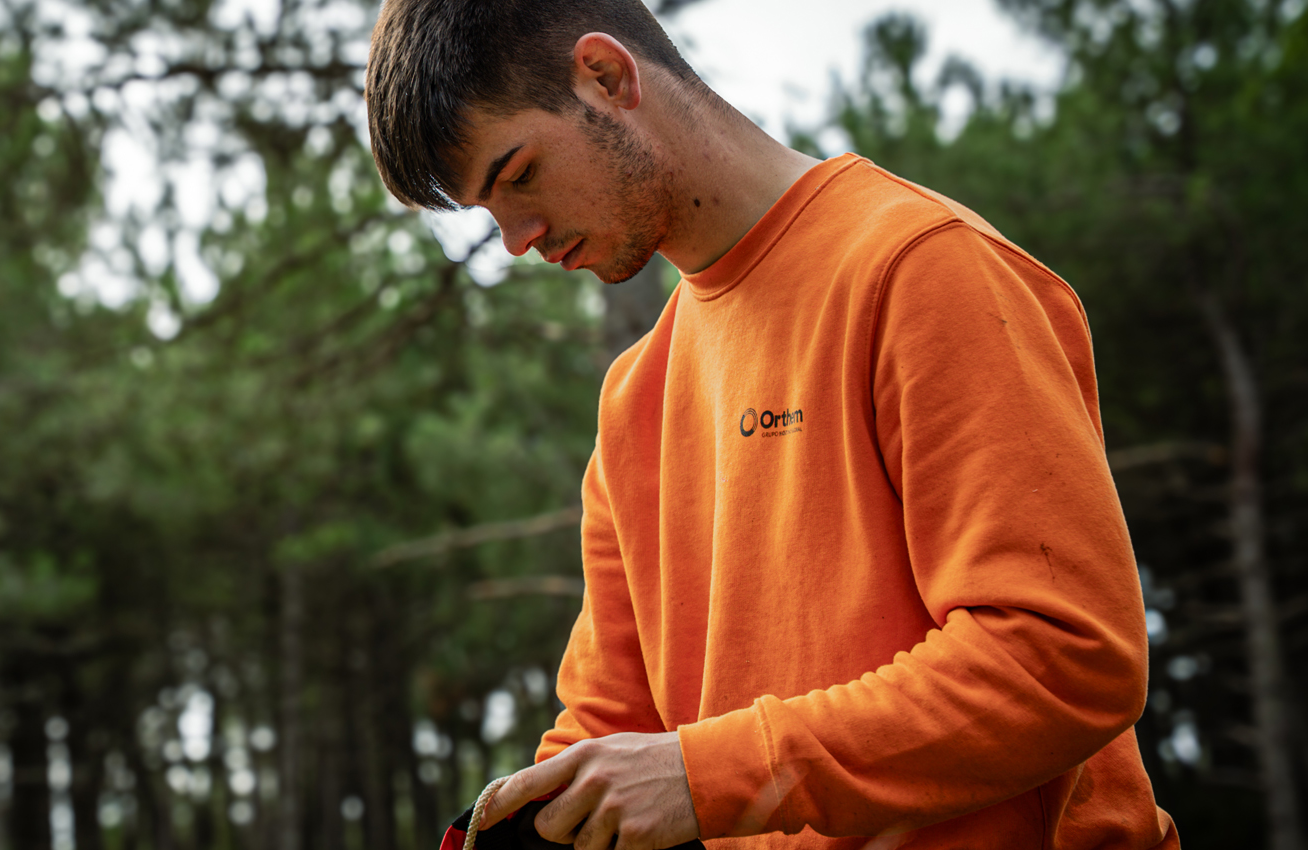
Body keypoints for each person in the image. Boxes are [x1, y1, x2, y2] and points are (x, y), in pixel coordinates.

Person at [363, 2, 1179, 848]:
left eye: (520, 175)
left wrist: (708, 775)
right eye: (488, 213)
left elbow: (1064, 655)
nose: (518, 240)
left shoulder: (920, 270)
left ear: (606, 76)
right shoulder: (635, 398)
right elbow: (608, 728)